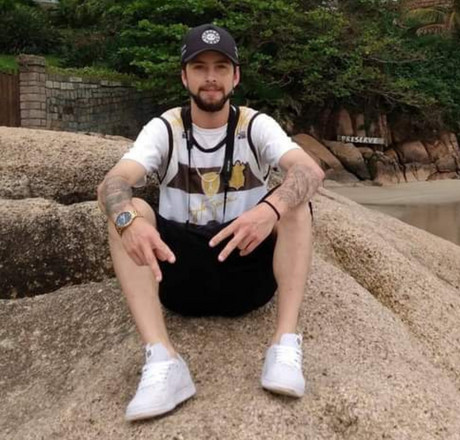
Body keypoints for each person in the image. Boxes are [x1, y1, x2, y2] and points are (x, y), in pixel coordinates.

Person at [97, 23, 324, 422]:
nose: (211, 78)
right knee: (129, 213)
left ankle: (284, 344)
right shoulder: (166, 128)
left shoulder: (255, 125)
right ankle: (163, 359)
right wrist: (127, 220)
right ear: (184, 76)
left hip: (247, 270)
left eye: (221, 67)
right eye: (199, 67)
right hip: (179, 276)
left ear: (236, 76)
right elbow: (113, 183)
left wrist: (268, 210)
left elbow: (309, 171)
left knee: (295, 206)